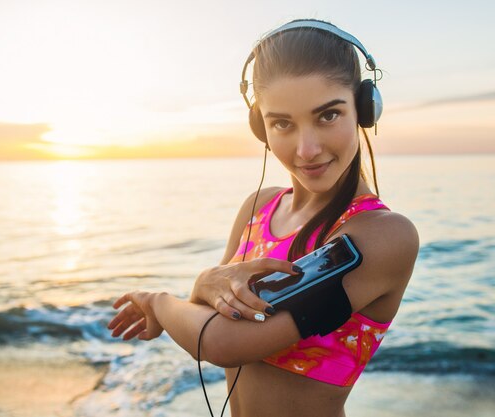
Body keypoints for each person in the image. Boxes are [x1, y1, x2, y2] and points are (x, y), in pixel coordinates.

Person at [108, 18, 419, 417]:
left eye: (327, 115)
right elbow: (208, 308)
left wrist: (158, 302)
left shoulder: (382, 236)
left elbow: (221, 343)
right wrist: (203, 287)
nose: (306, 149)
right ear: (260, 126)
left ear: (363, 108)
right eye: (282, 123)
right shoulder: (259, 207)